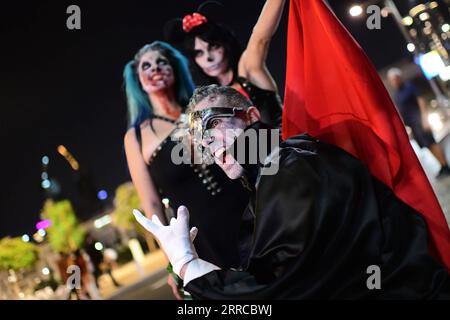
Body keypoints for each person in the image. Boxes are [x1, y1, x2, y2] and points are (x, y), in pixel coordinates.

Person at [134, 85, 450, 299]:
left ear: (252, 118)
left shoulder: (290, 170)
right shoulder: (273, 171)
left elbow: (283, 292)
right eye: (199, 137)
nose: (206, 142)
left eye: (212, 123)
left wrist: (191, 267)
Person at [123, 41, 249, 298]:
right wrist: (175, 261)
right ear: (138, 79)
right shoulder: (136, 137)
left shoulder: (205, 106)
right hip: (202, 240)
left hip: (250, 214)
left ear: (175, 68)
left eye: (162, 62)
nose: (155, 68)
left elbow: (247, 150)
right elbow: (152, 205)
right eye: (146, 66)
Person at [164, 0, 285, 128]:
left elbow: (260, 39)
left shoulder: (248, 71)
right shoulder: (204, 101)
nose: (208, 58)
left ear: (226, 45)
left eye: (213, 47)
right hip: (249, 148)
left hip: (285, 145)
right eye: (199, 53)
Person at [387, 68, 450, 179]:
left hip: (420, 121)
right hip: (412, 125)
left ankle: (446, 165)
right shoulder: (396, 94)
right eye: (392, 80)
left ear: (399, 77)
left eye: (395, 78)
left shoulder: (409, 87)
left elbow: (420, 100)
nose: (394, 81)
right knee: (426, 146)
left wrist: (424, 118)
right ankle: (442, 165)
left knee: (431, 143)